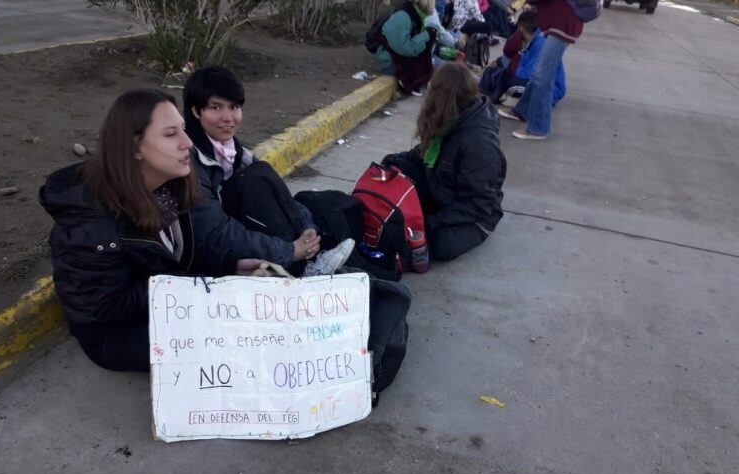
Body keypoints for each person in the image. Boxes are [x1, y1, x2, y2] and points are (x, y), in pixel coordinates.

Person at [40, 89, 269, 372]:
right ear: (135, 147)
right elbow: (109, 306)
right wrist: (198, 291)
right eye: (171, 134)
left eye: (184, 131)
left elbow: (177, 259)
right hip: (115, 335)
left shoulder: (169, 188)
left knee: (257, 317)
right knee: (235, 343)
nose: (188, 143)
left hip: (166, 305)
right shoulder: (92, 226)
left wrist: (229, 269)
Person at [183, 66, 354, 277]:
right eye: (216, 108)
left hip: (232, 238)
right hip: (206, 252)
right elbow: (218, 233)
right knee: (252, 181)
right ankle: (302, 269)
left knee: (261, 174)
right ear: (195, 111)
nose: (228, 118)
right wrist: (290, 250)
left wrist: (305, 228)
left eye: (234, 107)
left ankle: (308, 262)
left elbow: (279, 195)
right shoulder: (189, 160)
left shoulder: (232, 150)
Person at [383, 62, 505, 261]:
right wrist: (391, 163)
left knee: (434, 244)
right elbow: (421, 156)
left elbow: (477, 204)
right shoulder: (448, 121)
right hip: (442, 190)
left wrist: (429, 222)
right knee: (397, 168)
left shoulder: (478, 143)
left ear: (441, 96)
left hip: (474, 216)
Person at [497, 0, 584, 139]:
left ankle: (539, 128)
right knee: (539, 73)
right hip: (557, 23)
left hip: (561, 25)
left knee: (542, 76)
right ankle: (522, 111)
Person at [479, 10, 566, 105]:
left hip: (551, 91)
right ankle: (491, 95)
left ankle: (510, 102)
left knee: (508, 83)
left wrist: (512, 66)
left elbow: (529, 75)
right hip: (541, 83)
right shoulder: (534, 39)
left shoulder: (541, 43)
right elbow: (522, 63)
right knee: (496, 74)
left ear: (521, 28)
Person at [374, 0, 439, 94]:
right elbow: (404, 48)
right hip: (390, 63)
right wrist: (427, 35)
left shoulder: (417, 14)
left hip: (400, 59)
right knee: (438, 68)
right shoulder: (403, 16)